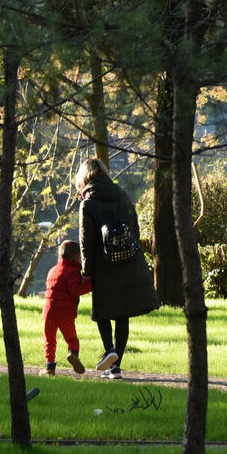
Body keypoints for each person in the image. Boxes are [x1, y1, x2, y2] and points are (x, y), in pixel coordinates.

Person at [77, 157, 160, 379]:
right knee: (122, 314)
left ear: (84, 178)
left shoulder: (88, 204)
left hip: (103, 266)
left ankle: (109, 350)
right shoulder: (122, 195)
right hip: (128, 262)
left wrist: (87, 272)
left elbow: (86, 243)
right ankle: (116, 367)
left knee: (102, 312)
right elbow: (135, 227)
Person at [40, 239, 94, 376]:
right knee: (71, 339)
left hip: (49, 312)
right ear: (76, 256)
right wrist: (89, 283)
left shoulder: (52, 271)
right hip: (65, 314)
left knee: (49, 340)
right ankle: (72, 354)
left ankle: (49, 367)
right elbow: (75, 290)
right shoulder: (72, 271)